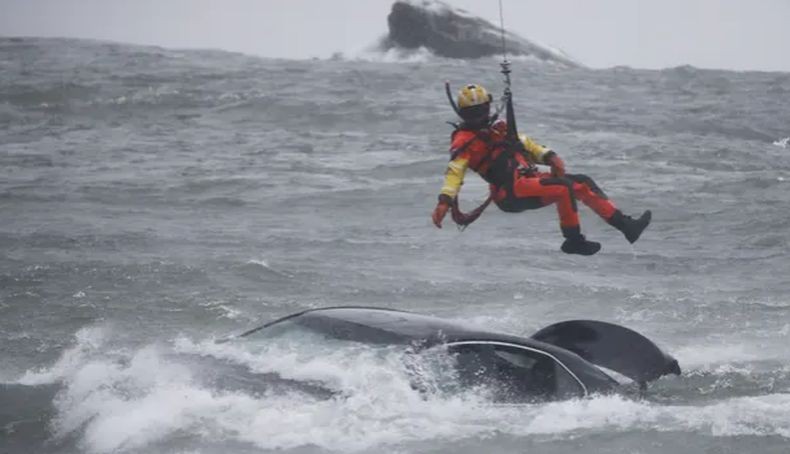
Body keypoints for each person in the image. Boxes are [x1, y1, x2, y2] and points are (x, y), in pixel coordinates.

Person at [431, 83, 651, 256]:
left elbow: (526, 143)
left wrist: (549, 156)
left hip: (529, 181)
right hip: (510, 193)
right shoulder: (465, 142)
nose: (479, 117)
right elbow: (454, 172)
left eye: (482, 110)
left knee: (582, 183)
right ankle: (574, 240)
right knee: (563, 188)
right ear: (463, 115)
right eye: (473, 114)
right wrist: (444, 202)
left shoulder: (499, 128)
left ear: (489, 107)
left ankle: (626, 226)